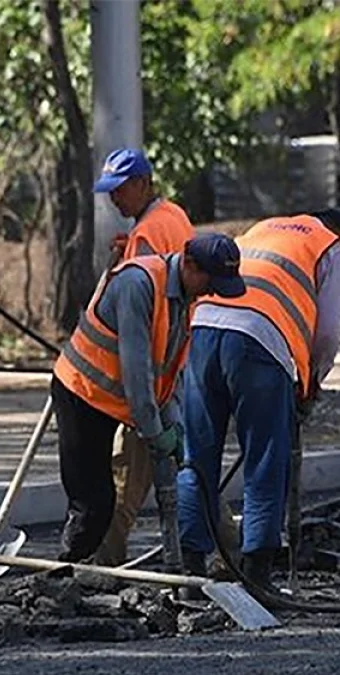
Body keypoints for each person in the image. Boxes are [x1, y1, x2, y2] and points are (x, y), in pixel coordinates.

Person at [176, 209, 340, 590]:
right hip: (258, 342)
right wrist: (310, 386)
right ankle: (258, 571)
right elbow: (326, 334)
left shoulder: (263, 227)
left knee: (198, 455)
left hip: (205, 327)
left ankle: (191, 570)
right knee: (264, 458)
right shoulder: (333, 247)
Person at [49, 233, 245, 563]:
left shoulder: (184, 296)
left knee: (180, 474)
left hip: (119, 399)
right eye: (210, 281)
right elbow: (137, 373)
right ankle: (67, 575)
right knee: (93, 502)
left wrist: (176, 424)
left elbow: (166, 367)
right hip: (82, 394)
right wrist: (155, 433)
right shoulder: (137, 285)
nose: (212, 291)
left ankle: (230, 556)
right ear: (190, 264)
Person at [90, 148, 196, 568]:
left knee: (126, 476)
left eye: (120, 190)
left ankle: (103, 563)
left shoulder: (148, 234)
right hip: (174, 361)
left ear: (143, 184)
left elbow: (134, 311)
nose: (114, 199)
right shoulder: (172, 216)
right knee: (187, 466)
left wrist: (143, 399)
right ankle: (229, 551)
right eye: (110, 192)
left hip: (152, 370)